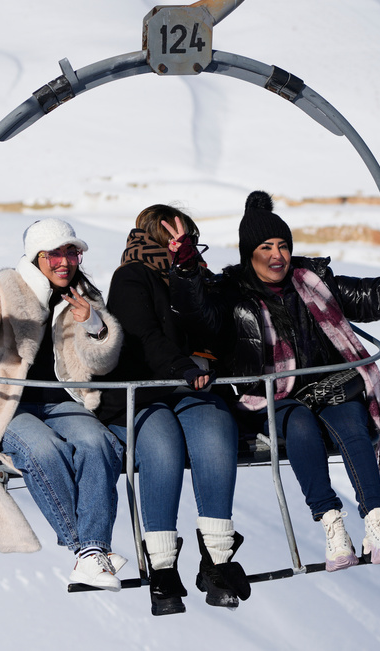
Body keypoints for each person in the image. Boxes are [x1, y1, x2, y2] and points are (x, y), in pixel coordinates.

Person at [167, 191, 380, 571]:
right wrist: (188, 269)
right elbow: (198, 314)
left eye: (283, 246)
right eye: (266, 247)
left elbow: (374, 297)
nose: (278, 256)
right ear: (249, 253)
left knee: (353, 425)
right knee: (302, 428)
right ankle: (331, 524)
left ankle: (376, 522)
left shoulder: (312, 281)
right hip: (273, 395)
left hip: (327, 385)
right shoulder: (231, 295)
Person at [0, 218, 128, 591]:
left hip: (62, 401)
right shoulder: (8, 287)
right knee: (44, 450)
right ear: (37, 257)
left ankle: (89, 553)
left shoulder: (83, 296)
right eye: (55, 254)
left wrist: (93, 326)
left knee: (99, 444)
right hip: (5, 401)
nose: (65, 262)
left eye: (71, 253)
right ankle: (90, 551)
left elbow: (101, 363)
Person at [98, 204, 248, 615]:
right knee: (162, 447)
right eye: (179, 238)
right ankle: (163, 569)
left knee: (216, 433)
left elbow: (214, 327)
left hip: (188, 385)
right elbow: (141, 333)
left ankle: (217, 560)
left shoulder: (194, 275)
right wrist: (182, 366)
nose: (189, 245)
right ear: (158, 237)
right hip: (143, 390)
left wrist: (190, 274)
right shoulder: (131, 276)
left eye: (192, 239)